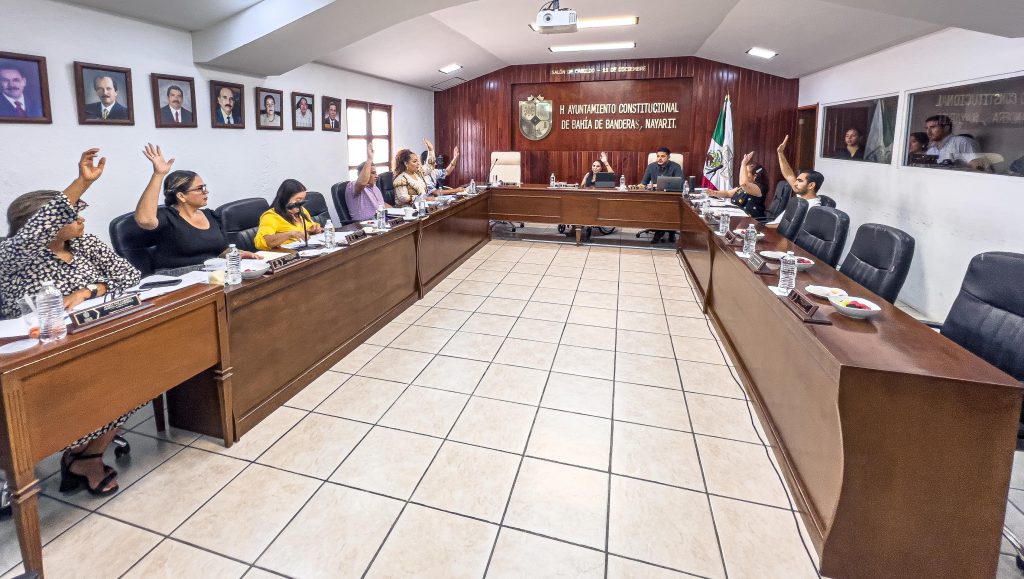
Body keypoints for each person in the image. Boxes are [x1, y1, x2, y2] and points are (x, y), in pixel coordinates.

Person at [0, 149, 143, 495]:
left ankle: (84, 455)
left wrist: (89, 290)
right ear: (42, 225)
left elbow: (130, 276)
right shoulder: (12, 257)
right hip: (36, 356)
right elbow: (36, 230)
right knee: (104, 385)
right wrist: (82, 182)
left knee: (140, 373)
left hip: (92, 339)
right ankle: (83, 454)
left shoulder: (84, 244)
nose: (81, 219)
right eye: (72, 213)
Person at [133, 143, 256, 271]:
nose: (206, 192)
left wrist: (238, 253)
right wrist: (158, 175)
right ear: (181, 196)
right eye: (199, 188)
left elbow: (221, 251)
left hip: (211, 273)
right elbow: (145, 220)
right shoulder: (167, 216)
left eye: (204, 187)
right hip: (178, 276)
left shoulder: (211, 215)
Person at [768, 135, 823, 229]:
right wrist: (780, 153)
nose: (794, 183)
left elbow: (791, 228)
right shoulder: (802, 195)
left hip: (777, 234)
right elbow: (789, 175)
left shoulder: (812, 207)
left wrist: (762, 226)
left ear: (811, 185)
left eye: (799, 181)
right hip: (771, 228)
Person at [255, 179, 322, 250]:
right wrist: (290, 234)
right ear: (285, 198)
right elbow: (262, 242)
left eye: (303, 199)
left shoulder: (302, 211)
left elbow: (307, 231)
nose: (301, 203)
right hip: (286, 253)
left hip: (307, 250)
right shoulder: (271, 216)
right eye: (298, 200)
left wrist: (314, 230)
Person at [641, 147, 683, 244]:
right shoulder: (651, 166)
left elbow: (680, 183)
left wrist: (661, 185)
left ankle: (663, 232)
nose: (659, 158)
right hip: (656, 196)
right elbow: (644, 183)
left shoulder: (676, 166)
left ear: (668, 157)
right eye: (658, 156)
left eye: (663, 156)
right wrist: (639, 186)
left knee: (666, 208)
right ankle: (667, 231)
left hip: (671, 197)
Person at [712, 151, 768, 218]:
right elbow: (728, 193)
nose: (743, 174)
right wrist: (713, 193)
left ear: (755, 176)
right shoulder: (743, 187)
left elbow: (744, 184)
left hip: (751, 221)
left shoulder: (759, 188)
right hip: (737, 218)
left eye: (746, 172)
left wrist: (743, 164)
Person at [345, 144, 390, 221]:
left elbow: (382, 205)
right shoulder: (352, 185)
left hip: (380, 220)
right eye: (373, 173)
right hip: (364, 224)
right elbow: (362, 183)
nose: (377, 176)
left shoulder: (374, 187)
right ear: (361, 174)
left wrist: (399, 212)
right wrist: (369, 159)